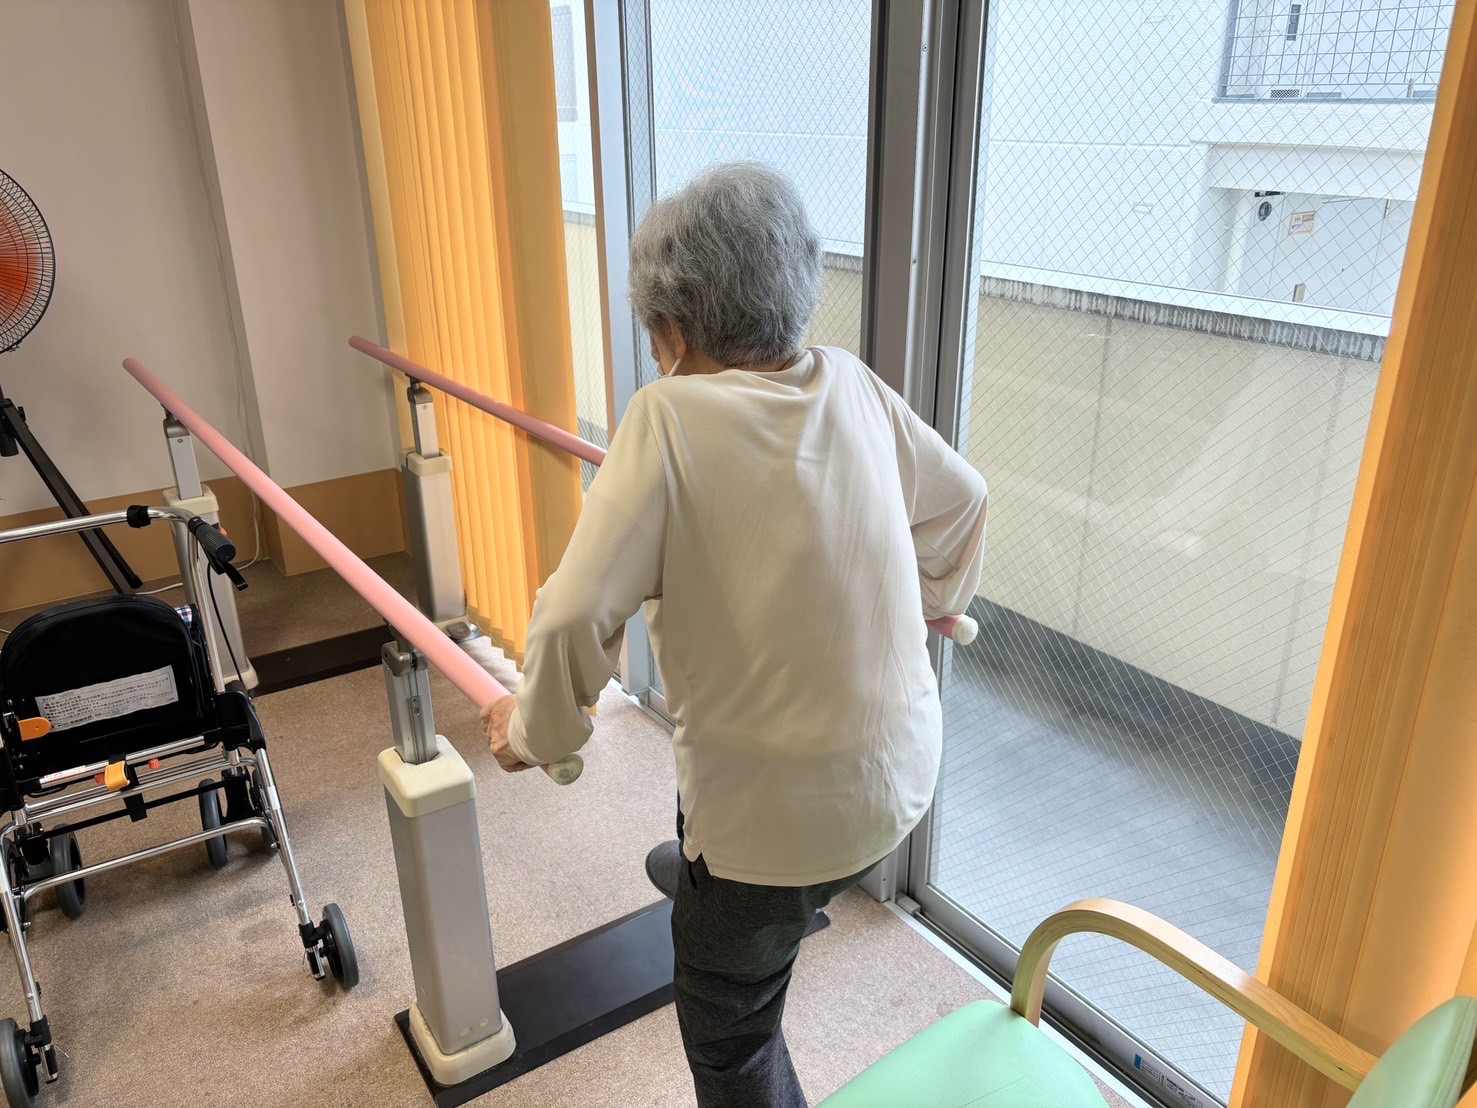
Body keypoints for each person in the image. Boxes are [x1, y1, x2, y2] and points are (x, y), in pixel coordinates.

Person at [482, 162, 987, 1108]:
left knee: (728, 1032)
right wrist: (929, 601)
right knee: (755, 851)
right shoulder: (852, 383)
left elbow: (574, 614)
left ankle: (730, 892)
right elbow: (963, 501)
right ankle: (722, 878)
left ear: (672, 330)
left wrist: (533, 733)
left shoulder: (667, 419)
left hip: (773, 830)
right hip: (894, 788)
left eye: (651, 334)